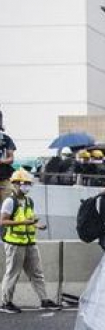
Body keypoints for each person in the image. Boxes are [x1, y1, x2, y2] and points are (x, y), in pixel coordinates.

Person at [0, 170, 61, 313]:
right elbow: (3, 221)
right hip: (15, 243)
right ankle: (5, 303)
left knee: (37, 273)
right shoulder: (10, 202)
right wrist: (25, 222)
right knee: (13, 273)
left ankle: (44, 300)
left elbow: (29, 220)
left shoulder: (29, 201)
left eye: (28, 184)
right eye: (24, 183)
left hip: (29, 242)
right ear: (15, 184)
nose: (26, 186)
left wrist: (37, 225)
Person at [0, 110, 16, 201]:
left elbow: (11, 159)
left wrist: (2, 161)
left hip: (4, 178)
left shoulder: (6, 139)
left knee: (8, 203)